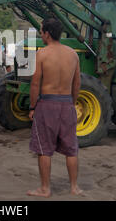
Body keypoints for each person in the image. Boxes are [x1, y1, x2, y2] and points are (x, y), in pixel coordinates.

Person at [27, 18, 82, 197]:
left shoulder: (42, 54)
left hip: (47, 104)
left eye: (41, 31)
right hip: (66, 103)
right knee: (71, 148)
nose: (41, 34)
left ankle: (45, 189)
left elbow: (35, 84)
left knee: (44, 148)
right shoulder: (73, 54)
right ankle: (74, 187)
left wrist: (32, 107)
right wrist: (72, 103)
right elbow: (77, 83)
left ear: (47, 33)